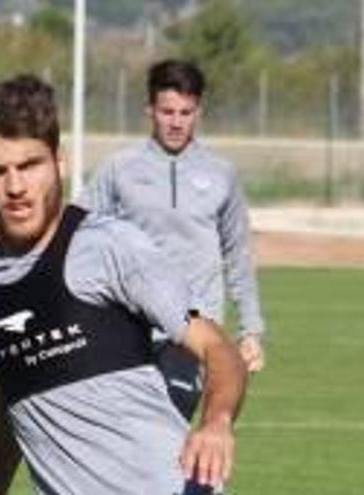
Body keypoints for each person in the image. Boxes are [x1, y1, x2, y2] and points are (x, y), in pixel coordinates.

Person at [0, 74, 247, 495]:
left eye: (29, 166)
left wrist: (216, 424)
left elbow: (217, 349)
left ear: (59, 163)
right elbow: (12, 385)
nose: (15, 187)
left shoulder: (109, 246)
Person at [79, 59, 266, 419]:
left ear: (199, 111)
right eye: (167, 112)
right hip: (130, 324)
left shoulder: (221, 173)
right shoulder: (120, 169)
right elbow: (80, 234)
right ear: (150, 110)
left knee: (171, 420)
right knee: (128, 432)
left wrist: (251, 330)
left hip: (195, 323)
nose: (176, 122)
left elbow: (238, 254)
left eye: (186, 112)